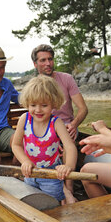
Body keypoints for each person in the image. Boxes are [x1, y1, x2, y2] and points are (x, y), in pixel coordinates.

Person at [31, 44, 88, 203]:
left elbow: (83, 109)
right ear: (35, 64)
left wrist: (74, 124)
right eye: (43, 60)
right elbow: (34, 115)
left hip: (67, 126)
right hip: (45, 127)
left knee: (67, 143)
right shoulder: (35, 85)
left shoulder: (66, 79)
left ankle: (68, 189)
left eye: (50, 59)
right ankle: (61, 189)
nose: (48, 63)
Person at [12, 75, 78, 205]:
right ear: (27, 103)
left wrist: (68, 166)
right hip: (30, 173)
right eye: (33, 105)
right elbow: (16, 145)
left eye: (44, 105)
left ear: (53, 103)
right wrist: (25, 161)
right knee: (34, 202)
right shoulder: (24, 119)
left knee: (52, 204)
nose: (38, 110)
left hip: (51, 174)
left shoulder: (56, 123)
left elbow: (70, 147)